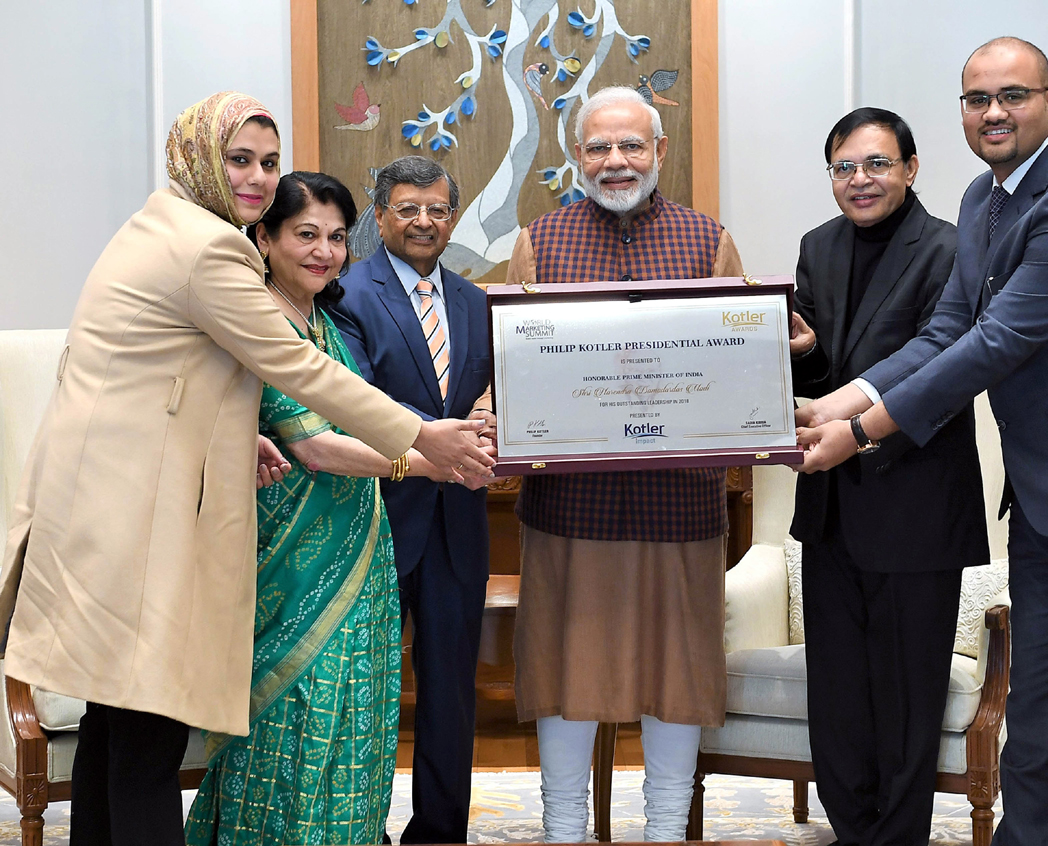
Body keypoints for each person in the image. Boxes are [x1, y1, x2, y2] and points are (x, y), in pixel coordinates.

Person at [0, 92, 492, 846]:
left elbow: (165, 372)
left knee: (113, 720)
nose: (258, 177)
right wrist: (425, 438)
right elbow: (296, 368)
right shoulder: (212, 247)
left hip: (98, 505)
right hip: (137, 519)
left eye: (268, 161)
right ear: (198, 156)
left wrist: (237, 437)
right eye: (239, 160)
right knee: (150, 731)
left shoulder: (157, 221)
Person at [796, 38, 1048, 846]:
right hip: (1045, 494)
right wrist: (835, 402)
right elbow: (946, 329)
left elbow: (997, 343)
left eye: (1013, 95)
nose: (994, 112)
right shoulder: (985, 197)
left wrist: (861, 432)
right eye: (977, 99)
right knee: (1040, 711)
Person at [183, 170, 473, 844]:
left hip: (359, 552)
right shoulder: (261, 323)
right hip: (290, 563)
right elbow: (315, 446)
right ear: (264, 238)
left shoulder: (321, 320)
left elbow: (360, 419)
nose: (325, 252)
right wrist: (430, 459)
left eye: (338, 238)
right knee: (297, 711)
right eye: (306, 234)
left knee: (358, 714)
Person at [505, 85, 744, 842]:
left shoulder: (708, 241)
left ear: (659, 151)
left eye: (631, 145)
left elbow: (736, 365)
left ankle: (666, 829)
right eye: (599, 147)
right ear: (577, 156)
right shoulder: (538, 242)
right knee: (564, 667)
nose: (616, 161)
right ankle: (563, 829)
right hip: (569, 504)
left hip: (680, 502)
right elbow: (512, 365)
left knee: (679, 671)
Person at [790, 107, 989, 846]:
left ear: (910, 168)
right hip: (830, 509)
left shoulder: (953, 249)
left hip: (915, 506)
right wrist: (806, 354)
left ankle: (897, 836)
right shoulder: (818, 246)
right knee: (838, 695)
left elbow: (944, 373)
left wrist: (858, 436)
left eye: (877, 164)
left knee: (906, 698)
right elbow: (824, 378)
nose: (860, 180)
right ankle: (852, 830)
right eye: (844, 167)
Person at [329, 156, 495, 844]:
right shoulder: (345, 294)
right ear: (380, 215)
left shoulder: (476, 301)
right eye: (408, 208)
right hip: (377, 517)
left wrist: (492, 416)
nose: (424, 221)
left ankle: (439, 832)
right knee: (365, 693)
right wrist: (445, 449)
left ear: (452, 218)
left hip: (460, 524)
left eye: (437, 209)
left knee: (452, 692)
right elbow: (357, 400)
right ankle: (358, 828)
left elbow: (486, 395)